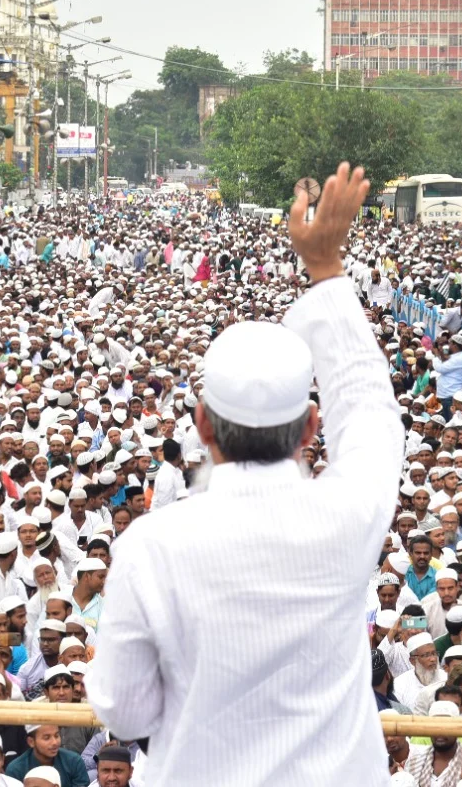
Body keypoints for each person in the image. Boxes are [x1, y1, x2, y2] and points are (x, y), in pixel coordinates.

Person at [88, 165, 400, 784]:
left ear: (201, 425)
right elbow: (370, 408)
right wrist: (327, 271)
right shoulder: (347, 514)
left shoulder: (150, 546)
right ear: (312, 429)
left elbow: (126, 709)